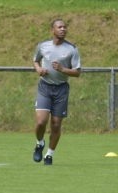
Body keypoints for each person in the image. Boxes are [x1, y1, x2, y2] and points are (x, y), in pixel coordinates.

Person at [32, 19, 81, 165]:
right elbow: (35, 60)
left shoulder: (72, 49)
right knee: (41, 122)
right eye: (59, 27)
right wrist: (39, 70)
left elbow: (77, 72)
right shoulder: (43, 46)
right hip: (45, 87)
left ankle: (49, 155)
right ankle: (40, 143)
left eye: (65, 27)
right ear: (52, 30)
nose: (63, 29)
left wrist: (62, 70)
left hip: (61, 89)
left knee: (55, 125)